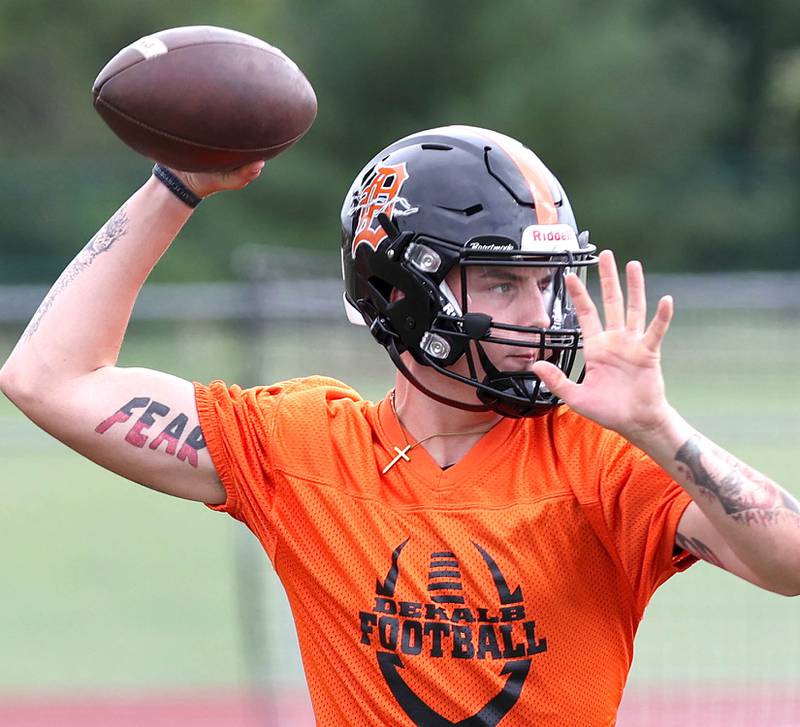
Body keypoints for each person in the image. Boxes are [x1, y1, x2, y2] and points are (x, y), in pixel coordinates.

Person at [1, 125, 798, 726]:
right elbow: (47, 378)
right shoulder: (302, 447)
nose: (542, 314)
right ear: (397, 290)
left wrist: (659, 428)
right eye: (501, 281)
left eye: (547, 282)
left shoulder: (600, 460)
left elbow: (790, 563)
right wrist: (175, 185)